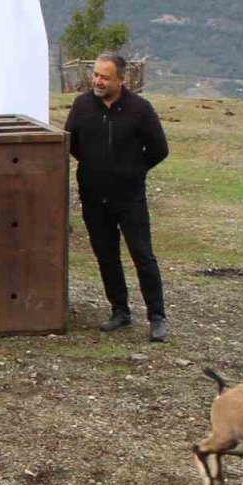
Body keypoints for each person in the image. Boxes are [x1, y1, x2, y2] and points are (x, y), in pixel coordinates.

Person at [64, 52, 170, 342]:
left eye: (104, 77)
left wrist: (135, 171)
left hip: (129, 198)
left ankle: (157, 316)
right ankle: (120, 310)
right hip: (93, 197)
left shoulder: (140, 109)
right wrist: (93, 167)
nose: (97, 81)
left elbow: (159, 149)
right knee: (106, 255)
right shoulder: (82, 105)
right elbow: (69, 141)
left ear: (121, 79)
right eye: (96, 75)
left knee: (142, 255)